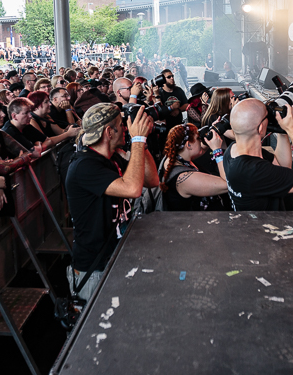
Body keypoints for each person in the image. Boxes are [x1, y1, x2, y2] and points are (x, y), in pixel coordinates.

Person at [65, 103, 159, 302]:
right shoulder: (84, 165)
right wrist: (137, 140)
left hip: (117, 260)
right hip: (95, 270)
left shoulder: (112, 158)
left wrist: (142, 144)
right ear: (109, 132)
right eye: (121, 125)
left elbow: (151, 181)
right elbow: (132, 189)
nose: (126, 128)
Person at [223, 99, 293, 211]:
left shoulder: (232, 151)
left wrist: (282, 131)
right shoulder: (254, 170)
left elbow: (282, 167)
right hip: (267, 223)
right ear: (260, 128)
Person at [158, 124, 229, 211]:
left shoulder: (174, 157)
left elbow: (200, 149)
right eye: (198, 138)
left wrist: (214, 131)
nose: (200, 141)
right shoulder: (185, 179)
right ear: (188, 145)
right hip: (201, 219)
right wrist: (217, 150)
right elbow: (228, 184)